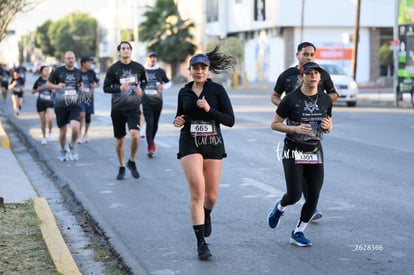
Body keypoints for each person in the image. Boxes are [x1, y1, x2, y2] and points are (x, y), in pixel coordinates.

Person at [173, 46, 236, 260]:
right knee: (197, 192)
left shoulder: (217, 91)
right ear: (190, 70)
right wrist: (177, 120)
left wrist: (210, 110)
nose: (199, 72)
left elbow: (230, 120)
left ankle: (206, 214)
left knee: (210, 196)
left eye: (203, 68)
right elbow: (179, 116)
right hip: (189, 142)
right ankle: (201, 243)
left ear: (208, 70)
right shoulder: (184, 91)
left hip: (213, 143)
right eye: (195, 68)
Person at [270, 41, 338, 222]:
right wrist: (288, 108)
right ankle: (285, 205)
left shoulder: (320, 75)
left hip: (314, 136)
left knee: (313, 186)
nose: (309, 57)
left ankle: (306, 218)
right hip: (294, 136)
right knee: (294, 193)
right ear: (297, 54)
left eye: (312, 55)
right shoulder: (287, 76)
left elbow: (333, 95)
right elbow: (275, 97)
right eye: (305, 54)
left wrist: (320, 104)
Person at [267, 62, 333, 247]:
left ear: (320, 78)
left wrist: (328, 127)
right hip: (293, 149)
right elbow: (274, 124)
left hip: (314, 150)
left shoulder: (326, 100)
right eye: (309, 73)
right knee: (294, 195)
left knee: (313, 195)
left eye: (316, 74)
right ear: (302, 77)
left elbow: (329, 124)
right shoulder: (291, 99)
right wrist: (295, 128)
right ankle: (280, 207)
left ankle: (298, 232)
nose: (313, 77)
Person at [103, 41, 147, 180]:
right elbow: (106, 88)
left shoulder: (138, 68)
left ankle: (131, 161)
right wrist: (119, 88)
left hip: (133, 107)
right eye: (123, 48)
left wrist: (142, 90)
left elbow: (145, 82)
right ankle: (122, 166)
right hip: (117, 108)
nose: (126, 50)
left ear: (131, 51)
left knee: (135, 135)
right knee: (120, 140)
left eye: (128, 48)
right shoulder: (113, 69)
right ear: (119, 52)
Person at [47, 51, 82, 161]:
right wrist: (57, 86)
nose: (70, 60)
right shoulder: (58, 71)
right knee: (63, 131)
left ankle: (72, 146)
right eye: (68, 58)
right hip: (61, 105)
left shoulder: (78, 72)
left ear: (75, 59)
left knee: (76, 127)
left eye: (72, 58)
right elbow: (48, 84)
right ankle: (63, 150)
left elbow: (80, 84)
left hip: (74, 104)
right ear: (64, 60)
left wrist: (81, 88)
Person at [143, 51, 171, 158]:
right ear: (147, 58)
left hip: (157, 101)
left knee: (155, 124)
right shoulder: (142, 71)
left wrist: (163, 87)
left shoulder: (160, 71)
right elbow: (136, 83)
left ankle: (152, 140)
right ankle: (150, 146)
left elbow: (168, 82)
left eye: (154, 57)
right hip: (146, 100)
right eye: (150, 57)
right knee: (149, 123)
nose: (152, 59)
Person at [78, 56, 100, 144]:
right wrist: (78, 87)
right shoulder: (77, 73)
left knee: (88, 117)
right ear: (83, 63)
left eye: (91, 62)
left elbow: (98, 83)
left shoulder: (92, 72)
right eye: (89, 62)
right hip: (80, 97)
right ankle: (79, 135)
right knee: (82, 114)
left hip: (89, 97)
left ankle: (85, 134)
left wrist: (94, 86)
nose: (90, 64)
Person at [31, 65, 55, 145]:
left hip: (50, 102)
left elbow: (57, 89)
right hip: (40, 103)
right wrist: (38, 89)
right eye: (45, 70)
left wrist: (53, 90)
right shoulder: (38, 81)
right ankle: (44, 138)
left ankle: (50, 132)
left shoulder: (51, 80)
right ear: (41, 72)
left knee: (50, 119)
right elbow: (32, 91)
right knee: (43, 121)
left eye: (48, 70)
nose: (47, 71)